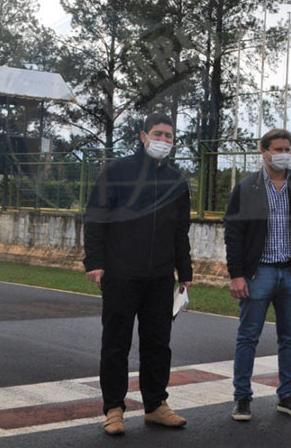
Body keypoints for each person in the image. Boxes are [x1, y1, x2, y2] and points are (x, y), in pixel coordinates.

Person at [83, 113, 193, 436]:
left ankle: (156, 405)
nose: (163, 140)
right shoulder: (118, 172)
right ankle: (114, 409)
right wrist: (95, 261)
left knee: (158, 344)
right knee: (116, 343)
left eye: (169, 136)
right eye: (157, 134)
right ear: (143, 136)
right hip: (120, 273)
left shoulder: (177, 181)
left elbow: (180, 232)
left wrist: (184, 271)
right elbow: (96, 218)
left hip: (160, 278)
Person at [224, 128, 291, 422]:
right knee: (247, 337)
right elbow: (234, 233)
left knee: (290, 338)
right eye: (278, 149)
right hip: (258, 274)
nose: (283, 154)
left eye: (287, 149)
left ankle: (287, 395)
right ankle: (242, 397)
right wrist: (236, 274)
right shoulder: (247, 188)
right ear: (263, 151)